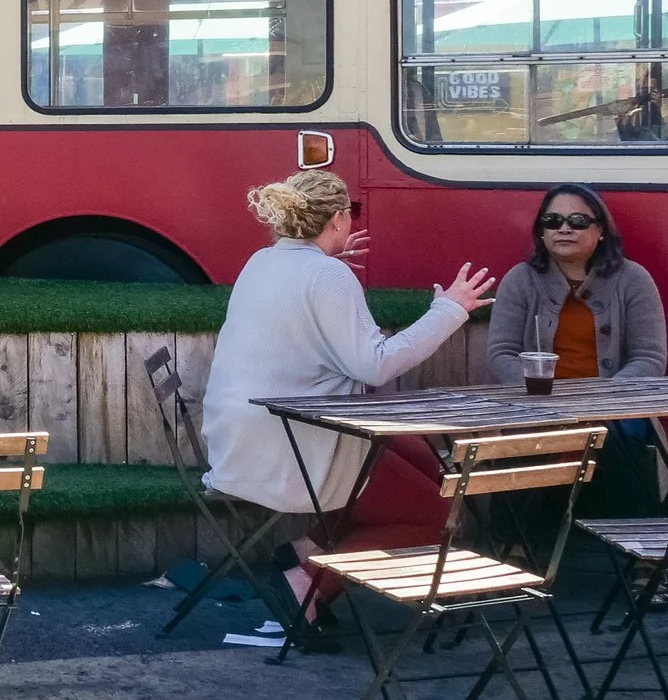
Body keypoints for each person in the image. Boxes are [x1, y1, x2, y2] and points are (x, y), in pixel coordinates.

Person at [201, 170, 497, 641]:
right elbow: (375, 367)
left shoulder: (262, 261)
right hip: (291, 443)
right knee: (432, 514)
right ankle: (306, 583)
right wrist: (451, 309)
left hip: (247, 434)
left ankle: (305, 549)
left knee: (425, 461)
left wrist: (328, 260)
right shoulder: (327, 275)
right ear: (338, 219)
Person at [486, 184, 668, 514]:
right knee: (525, 438)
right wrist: (541, 399)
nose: (564, 228)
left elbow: (650, 358)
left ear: (601, 231)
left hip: (613, 406)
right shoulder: (521, 279)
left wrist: (604, 401)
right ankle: (514, 547)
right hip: (535, 405)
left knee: (621, 433)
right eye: (553, 220)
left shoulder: (633, 278)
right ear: (541, 232)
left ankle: (636, 548)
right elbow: (502, 353)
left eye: (578, 221)